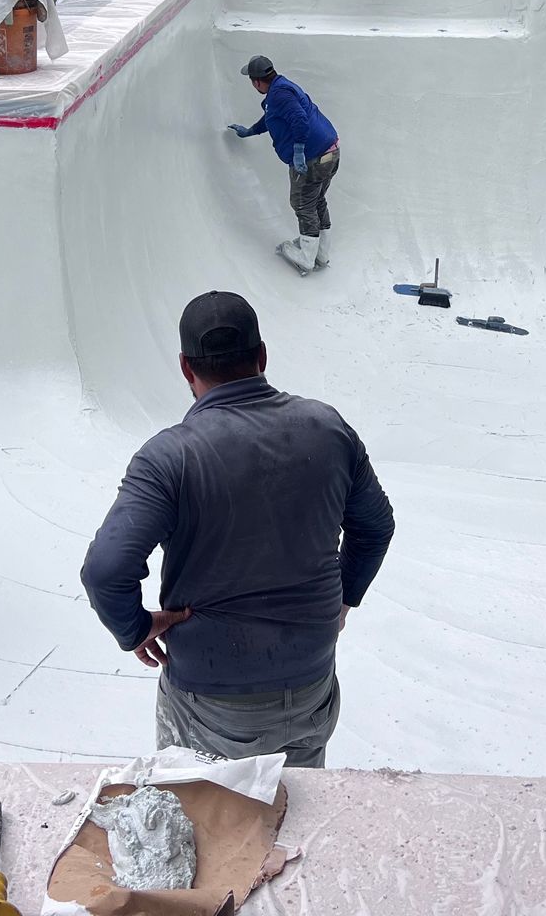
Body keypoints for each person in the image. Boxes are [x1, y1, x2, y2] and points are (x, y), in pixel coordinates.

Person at [80, 292, 396, 768]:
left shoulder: (169, 457)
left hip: (210, 703)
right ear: (262, 355)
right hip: (311, 689)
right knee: (294, 820)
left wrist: (136, 627)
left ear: (186, 368)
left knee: (206, 824)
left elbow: (106, 570)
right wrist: (342, 601)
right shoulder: (328, 429)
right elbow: (376, 526)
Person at [226, 54, 341, 274]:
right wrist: (250, 131)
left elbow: (299, 119)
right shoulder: (282, 88)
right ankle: (321, 254)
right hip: (332, 152)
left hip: (313, 158)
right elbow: (272, 117)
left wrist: (298, 151)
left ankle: (307, 258)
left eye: (251, 81)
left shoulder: (278, 95)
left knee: (302, 203)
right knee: (317, 200)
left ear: (257, 81)